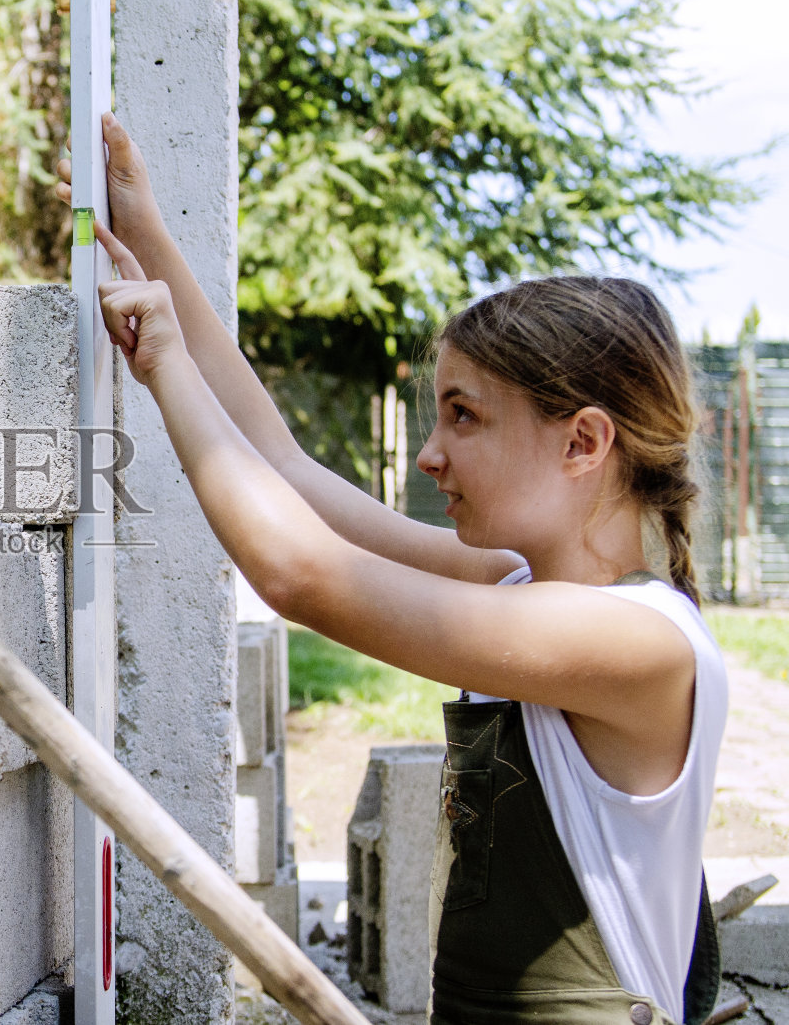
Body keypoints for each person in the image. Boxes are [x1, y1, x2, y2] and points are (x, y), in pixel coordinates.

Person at [57, 114, 726, 1025]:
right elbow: (285, 468)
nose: (429, 456)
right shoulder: (518, 586)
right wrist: (147, 237)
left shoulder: (638, 642)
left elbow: (302, 576)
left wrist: (167, 362)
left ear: (582, 440)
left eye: (464, 416)